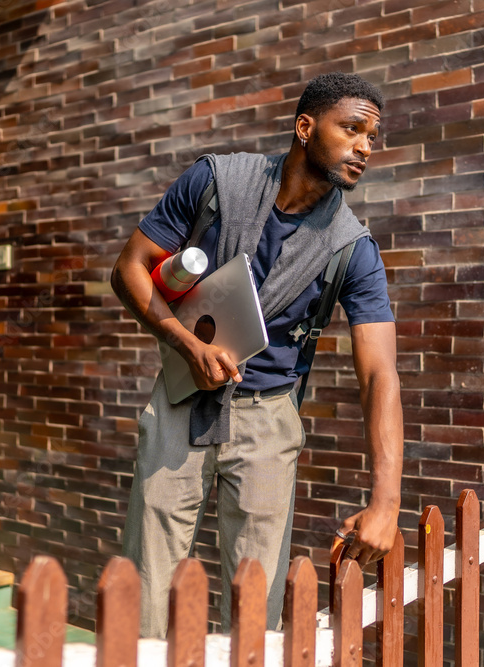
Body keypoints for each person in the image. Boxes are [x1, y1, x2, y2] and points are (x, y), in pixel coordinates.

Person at [111, 72, 404, 637]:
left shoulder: (354, 249)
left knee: (256, 605)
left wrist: (386, 502)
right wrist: (187, 345)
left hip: (269, 419)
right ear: (305, 127)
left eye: (372, 136)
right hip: (181, 400)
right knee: (146, 583)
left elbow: (379, 375)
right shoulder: (215, 181)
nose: (365, 146)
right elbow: (129, 269)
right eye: (351, 129)